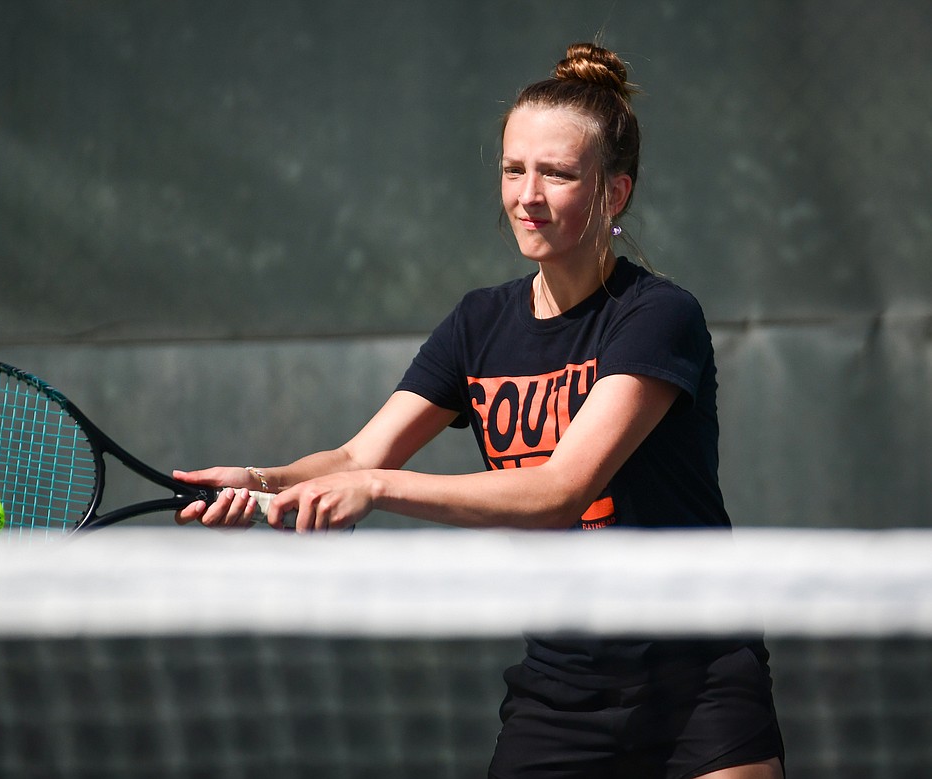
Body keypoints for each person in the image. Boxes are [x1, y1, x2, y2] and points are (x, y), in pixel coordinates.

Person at [175, 41, 785, 779]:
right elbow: (353, 458)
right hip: (561, 688)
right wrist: (259, 479)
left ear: (613, 192)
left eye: (557, 173)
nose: (528, 194)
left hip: (700, 676)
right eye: (513, 169)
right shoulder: (478, 325)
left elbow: (559, 491)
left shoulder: (657, 316)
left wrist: (377, 490)